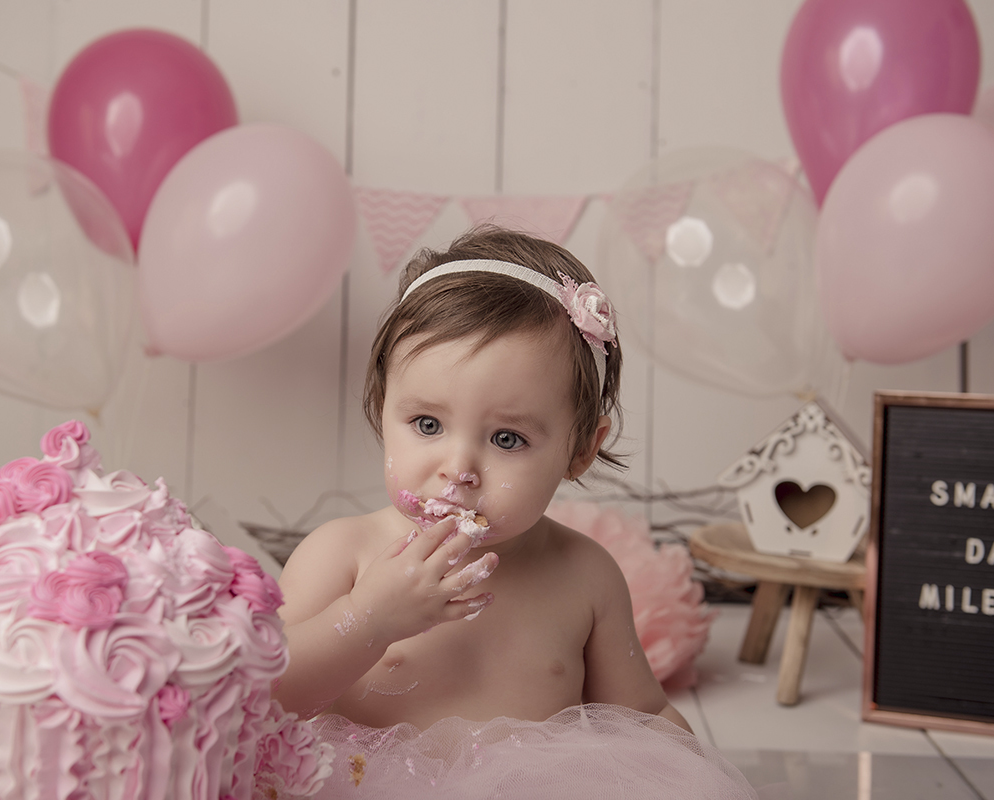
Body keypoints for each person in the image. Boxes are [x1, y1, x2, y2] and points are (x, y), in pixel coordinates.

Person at [273, 227, 756, 798]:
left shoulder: (585, 576)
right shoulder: (342, 555)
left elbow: (643, 715)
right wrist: (367, 618)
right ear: (383, 408)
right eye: (427, 424)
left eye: (507, 439)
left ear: (581, 450)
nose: (459, 468)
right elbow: (266, 693)